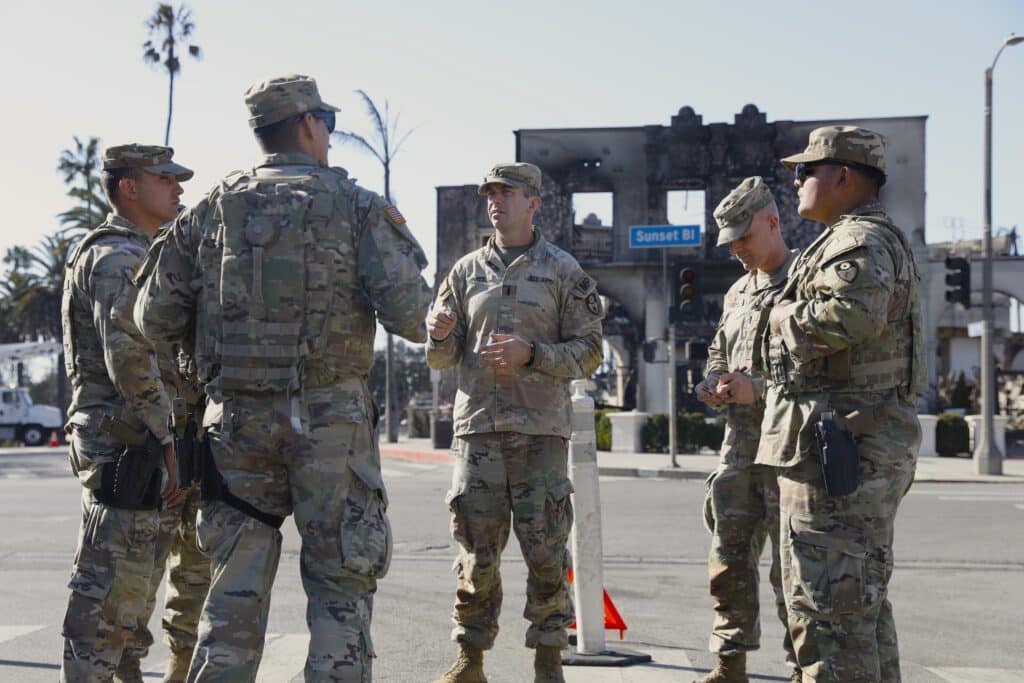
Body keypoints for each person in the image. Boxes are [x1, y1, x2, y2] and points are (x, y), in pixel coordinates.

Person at [133, 74, 432, 682]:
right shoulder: (357, 207)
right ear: (307, 125)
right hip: (330, 431)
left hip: (235, 429)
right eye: (328, 122)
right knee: (339, 593)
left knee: (231, 599)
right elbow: (412, 317)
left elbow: (151, 316)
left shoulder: (214, 207)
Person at [734, 126, 924, 682]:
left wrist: (780, 316)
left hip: (842, 446)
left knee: (828, 613)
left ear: (843, 177)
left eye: (807, 172)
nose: (796, 182)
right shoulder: (851, 237)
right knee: (855, 607)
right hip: (838, 441)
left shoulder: (857, 240)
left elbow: (853, 316)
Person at [425, 162, 604, 683]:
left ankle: (548, 662)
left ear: (534, 202)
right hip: (477, 431)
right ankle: (470, 659)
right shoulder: (464, 272)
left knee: (546, 551)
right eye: (490, 194)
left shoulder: (564, 272)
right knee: (475, 555)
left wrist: (531, 355)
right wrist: (437, 335)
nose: (495, 202)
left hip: (540, 435)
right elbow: (442, 359)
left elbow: (590, 351)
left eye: (507, 194)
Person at [60, 144, 192, 681]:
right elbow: (128, 354)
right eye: (166, 179)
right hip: (128, 447)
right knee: (106, 608)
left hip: (143, 448)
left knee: (132, 602)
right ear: (129, 187)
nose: (178, 188)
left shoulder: (146, 251)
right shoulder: (118, 257)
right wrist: (167, 440)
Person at [693, 177, 800, 683]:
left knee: (793, 571)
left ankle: (802, 667)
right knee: (728, 559)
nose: (736, 248)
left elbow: (823, 369)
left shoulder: (806, 279)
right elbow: (718, 353)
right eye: (729, 241)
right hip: (739, 447)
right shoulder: (738, 290)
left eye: (744, 236)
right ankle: (728, 663)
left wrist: (756, 388)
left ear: (773, 222)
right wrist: (713, 383)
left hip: (792, 449)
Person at [119, 340, 211, 683]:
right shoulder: (148, 291)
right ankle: (126, 665)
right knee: (143, 568)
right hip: (158, 448)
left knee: (196, 569)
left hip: (208, 442)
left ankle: (181, 665)